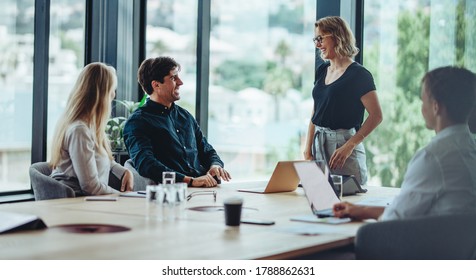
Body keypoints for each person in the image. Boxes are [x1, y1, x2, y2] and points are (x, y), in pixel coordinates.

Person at [334, 66, 476, 221]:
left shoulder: (433, 157)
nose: (422, 108)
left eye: (423, 101)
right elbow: (406, 211)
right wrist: (362, 210)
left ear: (436, 107)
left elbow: (396, 219)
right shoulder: (469, 149)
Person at [123, 56, 231, 187]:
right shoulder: (138, 122)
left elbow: (207, 150)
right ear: (156, 85)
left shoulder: (185, 116)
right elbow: (146, 164)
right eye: (173, 78)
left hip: (204, 189)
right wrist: (189, 180)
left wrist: (215, 165)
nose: (180, 82)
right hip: (173, 194)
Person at [303, 16, 383, 185]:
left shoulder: (359, 75)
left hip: (343, 146)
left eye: (320, 38)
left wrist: (349, 146)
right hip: (319, 142)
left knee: (351, 201)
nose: (317, 44)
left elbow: (376, 116)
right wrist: (307, 148)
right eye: (315, 39)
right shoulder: (322, 70)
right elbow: (316, 110)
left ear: (337, 36)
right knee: (319, 199)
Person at [50, 62, 134, 196]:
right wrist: (123, 196)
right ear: (101, 95)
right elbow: (91, 188)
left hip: (89, 203)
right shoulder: (80, 131)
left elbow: (101, 159)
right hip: (77, 205)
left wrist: (124, 171)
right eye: (112, 89)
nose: (114, 94)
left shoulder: (89, 127)